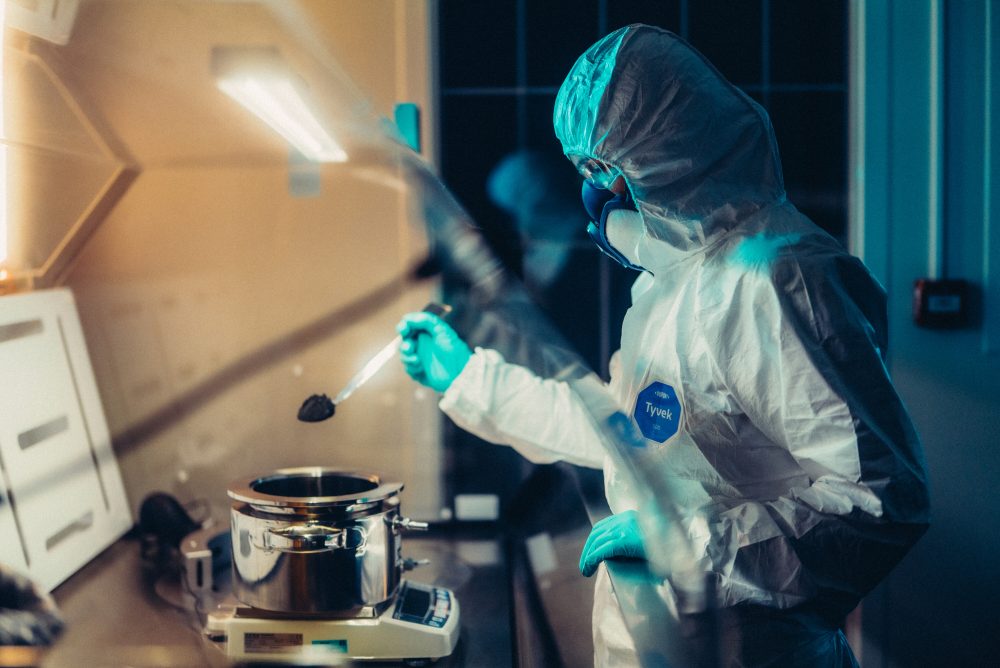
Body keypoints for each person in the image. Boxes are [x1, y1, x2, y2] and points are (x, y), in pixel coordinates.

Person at [398, 25, 929, 667]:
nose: (592, 191)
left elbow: (880, 503)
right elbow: (626, 433)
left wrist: (688, 543)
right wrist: (468, 378)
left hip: (753, 652)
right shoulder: (669, 283)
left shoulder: (780, 281)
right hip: (658, 640)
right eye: (581, 168)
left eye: (601, 167)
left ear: (670, 154)